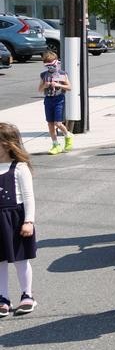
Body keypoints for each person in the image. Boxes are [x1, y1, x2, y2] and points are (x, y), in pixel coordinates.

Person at [0, 123, 38, 316]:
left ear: (7, 145)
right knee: (0, 262)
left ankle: (27, 295)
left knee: (20, 260)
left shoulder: (19, 168)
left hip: (16, 219)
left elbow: (28, 196)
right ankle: (3, 298)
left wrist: (28, 221)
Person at [38, 51, 72, 155]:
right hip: (48, 99)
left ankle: (68, 135)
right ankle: (55, 144)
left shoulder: (62, 74)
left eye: (52, 65)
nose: (50, 68)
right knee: (50, 124)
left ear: (56, 63)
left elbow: (69, 87)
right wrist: (46, 85)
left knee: (58, 123)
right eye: (47, 66)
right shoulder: (44, 75)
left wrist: (59, 84)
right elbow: (39, 89)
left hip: (59, 99)